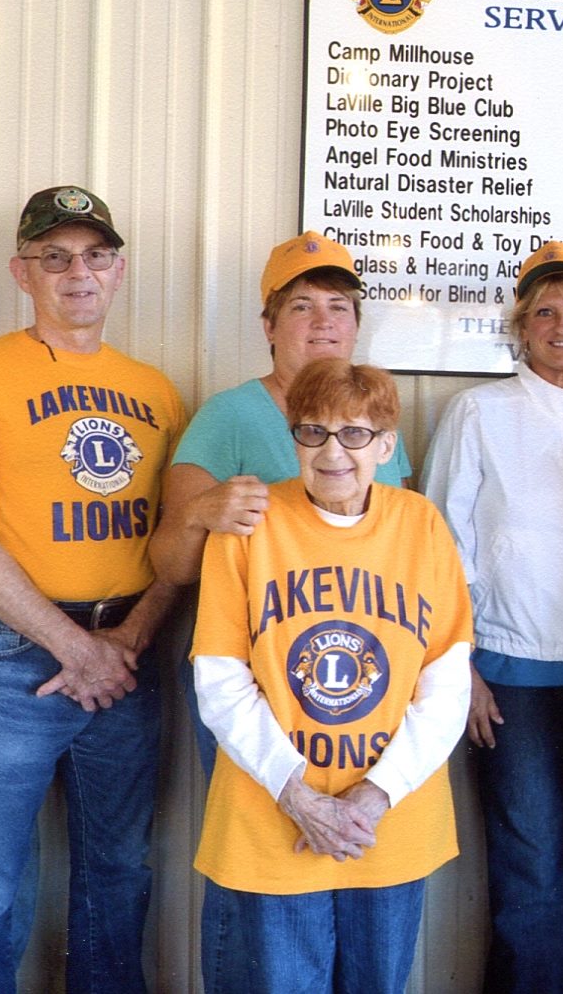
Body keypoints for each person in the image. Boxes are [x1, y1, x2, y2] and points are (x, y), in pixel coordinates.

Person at [0, 186, 185, 992]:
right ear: (21, 273)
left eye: (96, 255)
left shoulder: (158, 392)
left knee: (119, 873)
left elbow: (176, 546)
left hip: (128, 657)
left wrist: (126, 641)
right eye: (56, 256)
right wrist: (78, 648)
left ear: (120, 270)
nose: (79, 272)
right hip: (14, 655)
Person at [191, 358, 471, 994]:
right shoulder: (249, 526)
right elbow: (220, 676)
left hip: (388, 818)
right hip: (275, 813)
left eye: (353, 433)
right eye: (312, 432)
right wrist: (299, 798)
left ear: (385, 445)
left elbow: (447, 682)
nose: (331, 451)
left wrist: (374, 796)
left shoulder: (421, 525)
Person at [422, 241, 563, 993]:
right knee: (531, 867)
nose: (562, 323)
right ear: (520, 326)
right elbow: (445, 550)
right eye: (544, 310)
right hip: (508, 679)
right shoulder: (479, 412)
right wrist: (464, 671)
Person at [148, 230, 413, 773]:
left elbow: (402, 549)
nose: (324, 322)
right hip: (251, 677)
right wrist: (200, 514)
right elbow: (170, 565)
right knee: (257, 832)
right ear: (268, 326)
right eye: (301, 306)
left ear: (356, 325)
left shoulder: (376, 417)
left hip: (359, 668)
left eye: (339, 307)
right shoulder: (229, 415)